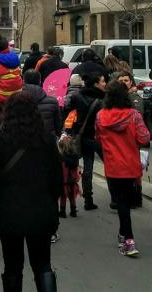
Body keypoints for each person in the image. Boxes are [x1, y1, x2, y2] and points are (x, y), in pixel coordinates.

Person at [0, 93, 62, 292]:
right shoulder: (46, 141)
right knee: (42, 263)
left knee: (12, 264)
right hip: (40, 209)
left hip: (8, 210)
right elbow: (56, 179)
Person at [95, 80, 150, 257]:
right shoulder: (134, 115)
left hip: (112, 164)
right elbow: (144, 138)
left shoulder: (101, 115)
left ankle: (125, 236)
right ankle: (128, 239)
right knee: (125, 202)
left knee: (121, 203)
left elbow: (98, 137)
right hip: (130, 163)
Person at [65, 72, 107, 211]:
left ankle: (88, 198)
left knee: (87, 168)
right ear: (96, 84)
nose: (104, 83)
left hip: (81, 135)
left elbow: (69, 109)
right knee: (110, 164)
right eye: (102, 81)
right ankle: (116, 196)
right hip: (97, 137)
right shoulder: (102, 100)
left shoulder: (77, 96)